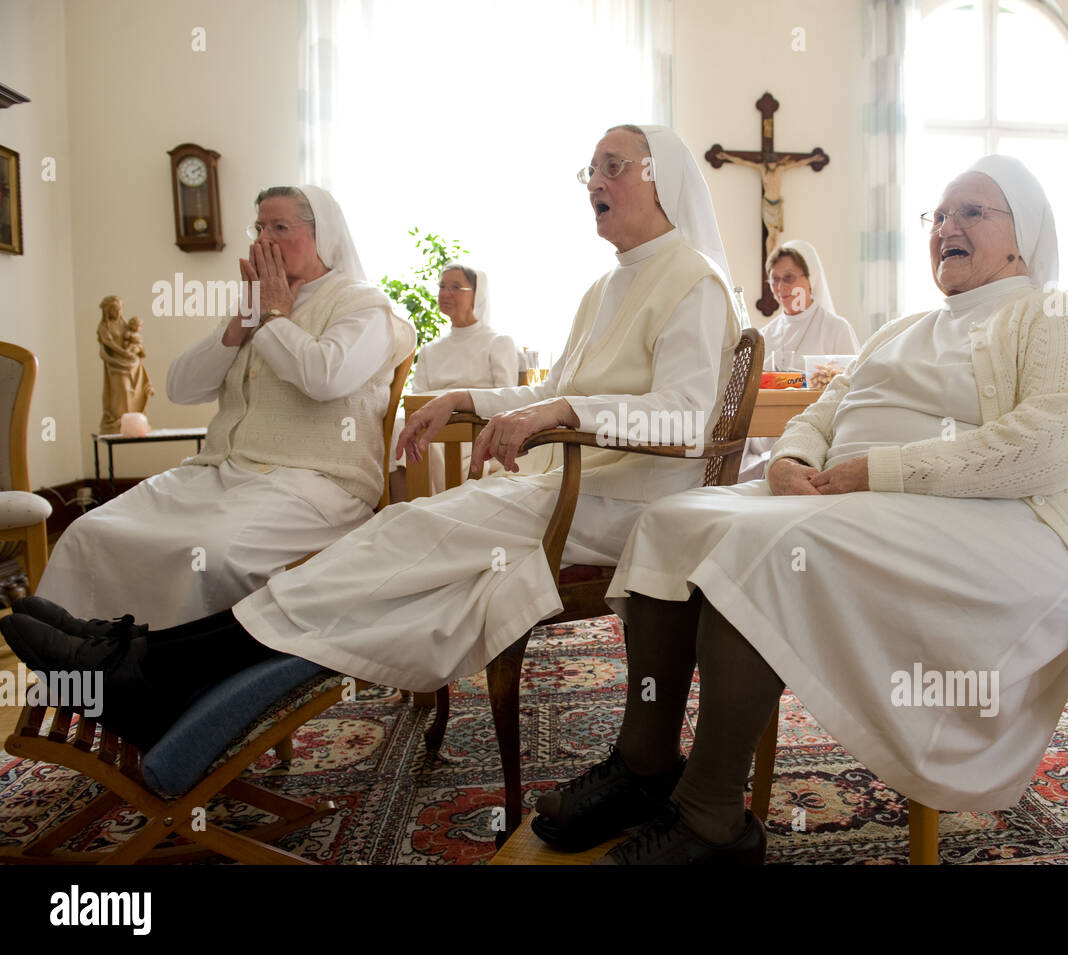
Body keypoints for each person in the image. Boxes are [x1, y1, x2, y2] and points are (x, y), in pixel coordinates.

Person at [3, 125, 742, 752]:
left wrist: (555, 416)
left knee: (388, 550)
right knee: (380, 559)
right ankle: (147, 665)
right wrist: (468, 397)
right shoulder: (606, 286)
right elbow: (551, 391)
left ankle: (148, 667)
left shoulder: (694, 281)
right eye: (591, 169)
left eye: (613, 167)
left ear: (665, 179)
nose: (594, 182)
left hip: (630, 498)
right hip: (568, 486)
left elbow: (683, 419)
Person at [530, 155, 1068, 864]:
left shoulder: (1057, 315)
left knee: (763, 552)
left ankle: (711, 816)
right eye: (939, 216)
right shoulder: (904, 328)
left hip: (1013, 520)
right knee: (677, 520)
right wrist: (798, 457)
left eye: (971, 213)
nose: (946, 228)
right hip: (856, 499)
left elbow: (1046, 447)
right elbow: (826, 408)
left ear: (1026, 235)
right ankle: (644, 765)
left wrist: (877, 471)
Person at [36, 186, 416, 629]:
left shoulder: (363, 303)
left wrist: (274, 316)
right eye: (259, 227)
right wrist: (242, 323)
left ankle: (180, 678)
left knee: (211, 554)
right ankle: (83, 657)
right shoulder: (254, 305)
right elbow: (180, 386)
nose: (263, 240)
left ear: (323, 236)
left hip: (315, 486)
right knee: (89, 532)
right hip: (217, 474)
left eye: (279, 227)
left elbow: (324, 377)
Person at [738, 240, 859, 481]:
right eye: (775, 278)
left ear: (810, 279)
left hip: (816, 437)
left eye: (789, 277)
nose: (781, 287)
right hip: (765, 439)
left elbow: (852, 389)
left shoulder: (836, 329)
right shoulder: (764, 335)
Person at [402, 263, 518, 492]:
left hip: (474, 434)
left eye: (456, 287)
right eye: (442, 286)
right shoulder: (429, 350)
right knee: (403, 432)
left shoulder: (498, 342)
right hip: (431, 432)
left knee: (424, 443)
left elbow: (506, 400)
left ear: (477, 294)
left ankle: (429, 507)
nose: (446, 294)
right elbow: (417, 401)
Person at [96, 294, 154, 434]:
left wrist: (137, 349)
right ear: (107, 311)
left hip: (132, 364)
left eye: (119, 309)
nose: (118, 313)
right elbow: (108, 344)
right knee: (122, 389)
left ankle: (134, 423)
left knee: (135, 392)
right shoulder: (104, 327)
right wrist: (123, 352)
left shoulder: (125, 324)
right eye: (114, 309)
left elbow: (135, 339)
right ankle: (118, 421)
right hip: (116, 364)